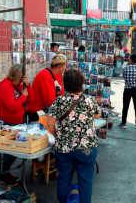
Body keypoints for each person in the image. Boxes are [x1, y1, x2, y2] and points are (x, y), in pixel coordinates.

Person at [47, 70, 100, 203]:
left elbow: (50, 124)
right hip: (86, 148)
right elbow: (97, 115)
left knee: (64, 178)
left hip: (64, 148)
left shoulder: (59, 101)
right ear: (81, 84)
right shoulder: (89, 100)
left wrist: (56, 135)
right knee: (86, 181)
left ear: (65, 85)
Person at [0, 64, 33, 186]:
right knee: (12, 150)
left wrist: (28, 86)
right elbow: (12, 106)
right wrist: (23, 96)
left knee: (15, 149)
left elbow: (31, 99)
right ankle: (4, 174)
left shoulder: (18, 86)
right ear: (19, 76)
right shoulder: (5, 87)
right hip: (8, 123)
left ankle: (5, 172)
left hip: (18, 123)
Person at [26, 54, 66, 122]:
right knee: (42, 130)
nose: (66, 67)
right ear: (60, 67)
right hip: (38, 111)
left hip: (46, 108)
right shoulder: (45, 75)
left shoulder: (58, 74)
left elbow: (61, 92)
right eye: (65, 65)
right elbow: (49, 100)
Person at [119, 54, 136, 129]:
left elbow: (124, 77)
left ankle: (123, 123)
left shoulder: (125, 68)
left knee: (125, 106)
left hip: (127, 89)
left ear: (130, 59)